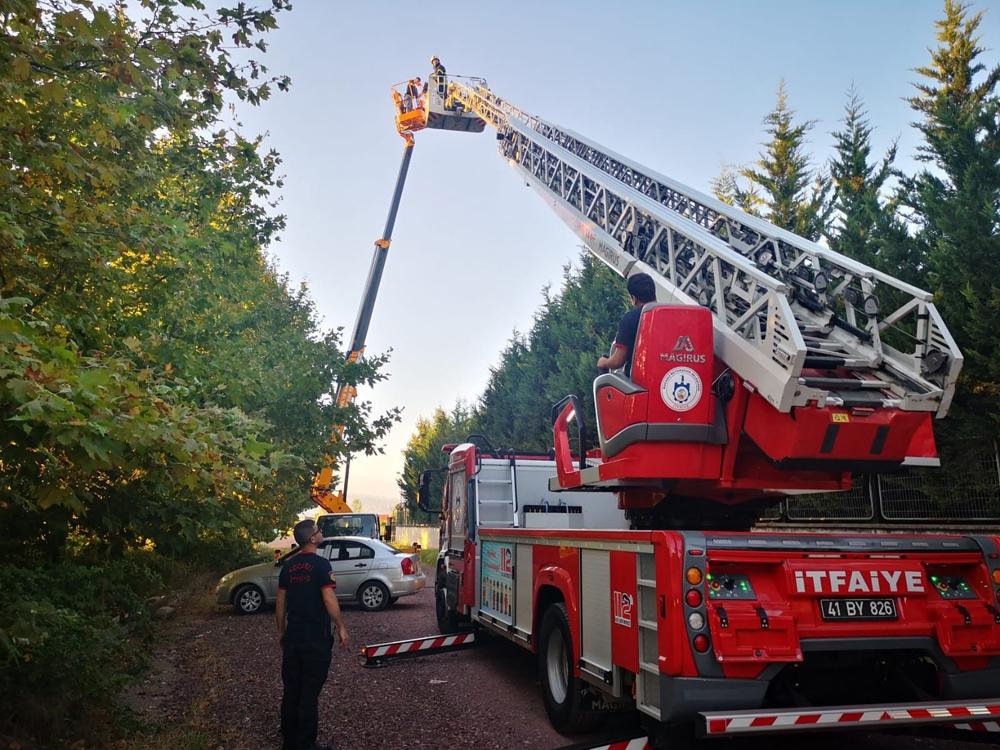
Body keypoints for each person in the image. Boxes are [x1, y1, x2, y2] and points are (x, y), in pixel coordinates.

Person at [276, 519, 350, 750]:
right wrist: (341, 626)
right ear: (312, 538)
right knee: (309, 691)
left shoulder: (288, 566)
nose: (321, 533)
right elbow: (329, 598)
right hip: (315, 639)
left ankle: (289, 741)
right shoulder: (321, 565)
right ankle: (306, 744)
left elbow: (280, 604)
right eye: (318, 531)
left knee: (291, 689)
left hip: (293, 637)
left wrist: (282, 632)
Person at [597, 272, 657, 378]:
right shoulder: (674, 316)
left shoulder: (630, 318)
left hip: (640, 382)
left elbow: (617, 362)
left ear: (634, 298)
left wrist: (604, 363)